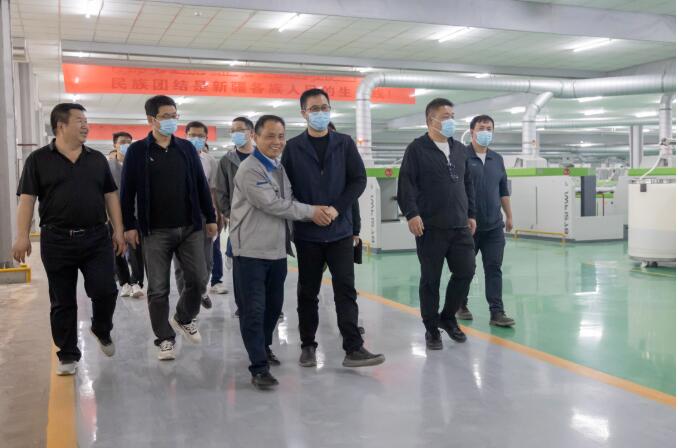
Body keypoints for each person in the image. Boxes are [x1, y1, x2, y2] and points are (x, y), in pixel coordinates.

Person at [11, 103, 125, 375]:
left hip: (96, 237)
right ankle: (68, 354)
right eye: (79, 121)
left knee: (106, 289)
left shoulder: (96, 159)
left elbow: (110, 195)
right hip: (56, 239)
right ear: (60, 125)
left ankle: (101, 328)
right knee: (62, 299)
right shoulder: (38, 159)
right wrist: (22, 236)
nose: (86, 126)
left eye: (86, 121)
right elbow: (27, 199)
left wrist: (118, 230)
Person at [282, 88, 385, 368]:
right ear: (304, 113)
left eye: (324, 107)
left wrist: (337, 209)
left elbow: (358, 180)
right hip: (308, 233)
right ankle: (308, 346)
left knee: (345, 289)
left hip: (340, 231)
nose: (321, 113)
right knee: (308, 292)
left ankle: (353, 347)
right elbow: (286, 189)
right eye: (314, 109)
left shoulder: (344, 143)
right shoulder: (293, 148)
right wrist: (310, 212)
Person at [230, 115, 331, 389]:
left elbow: (290, 199)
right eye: (270, 136)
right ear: (255, 137)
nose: (277, 142)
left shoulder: (279, 167)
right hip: (251, 251)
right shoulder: (250, 169)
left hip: (276, 251)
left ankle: (263, 347)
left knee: (273, 308)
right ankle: (258, 367)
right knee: (253, 310)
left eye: (281, 136)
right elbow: (273, 204)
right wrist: (312, 212)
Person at [120, 95, 217, 361]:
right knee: (158, 288)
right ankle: (164, 338)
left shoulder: (185, 149)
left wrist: (210, 217)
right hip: (155, 231)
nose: (172, 120)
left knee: (198, 279)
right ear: (151, 119)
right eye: (166, 116)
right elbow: (127, 192)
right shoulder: (138, 152)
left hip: (190, 227)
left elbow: (201, 185)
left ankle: (184, 317)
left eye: (174, 115)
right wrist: (129, 225)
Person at [397, 98, 477, 351]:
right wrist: (412, 214)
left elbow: (467, 183)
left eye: (452, 116)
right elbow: (406, 183)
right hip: (430, 227)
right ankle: (431, 328)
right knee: (430, 279)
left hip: (460, 225)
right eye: (445, 116)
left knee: (466, 271)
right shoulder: (416, 149)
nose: (450, 121)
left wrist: (471, 214)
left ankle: (448, 316)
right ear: (430, 120)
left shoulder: (460, 150)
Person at [458, 115, 515, 327]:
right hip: (468, 227)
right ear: (472, 131)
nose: (485, 132)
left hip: (494, 227)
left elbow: (503, 190)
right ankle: (460, 304)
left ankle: (497, 312)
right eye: (481, 128)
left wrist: (509, 215)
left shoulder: (496, 159)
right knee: (466, 269)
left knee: (494, 268)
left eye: (489, 128)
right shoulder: (461, 156)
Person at [173, 121, 220, 310]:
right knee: (181, 265)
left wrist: (216, 215)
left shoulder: (210, 161)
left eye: (201, 136)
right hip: (180, 216)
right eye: (192, 135)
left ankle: (201, 289)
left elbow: (213, 190)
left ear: (206, 138)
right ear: (185, 135)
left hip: (204, 215)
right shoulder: (176, 157)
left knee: (206, 261)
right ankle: (185, 308)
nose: (196, 139)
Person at [215, 116, 256, 317]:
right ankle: (243, 305)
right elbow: (221, 191)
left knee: (265, 264)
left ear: (251, 132)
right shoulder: (226, 161)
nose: (235, 134)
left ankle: (269, 306)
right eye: (232, 130)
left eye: (239, 129)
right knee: (242, 266)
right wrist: (229, 213)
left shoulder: (264, 156)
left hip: (263, 220)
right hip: (239, 222)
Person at [108, 131, 144, 299]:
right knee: (117, 248)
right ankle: (124, 282)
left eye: (129, 141)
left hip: (135, 212)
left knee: (136, 247)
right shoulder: (108, 166)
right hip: (113, 214)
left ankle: (137, 281)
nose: (126, 145)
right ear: (115, 145)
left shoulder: (137, 163)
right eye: (122, 142)